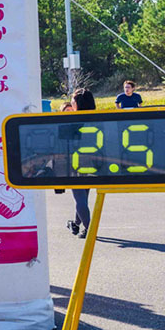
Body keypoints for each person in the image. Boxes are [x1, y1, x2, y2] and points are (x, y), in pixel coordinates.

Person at [66, 88, 97, 239]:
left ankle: (89, 229)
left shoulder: (73, 122)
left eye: (73, 100)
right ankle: (77, 223)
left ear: (78, 103)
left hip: (76, 163)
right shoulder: (97, 120)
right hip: (93, 163)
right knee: (83, 197)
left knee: (80, 198)